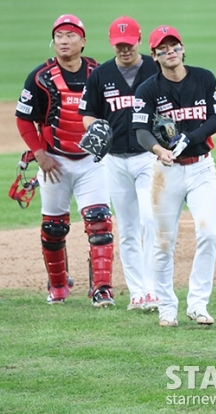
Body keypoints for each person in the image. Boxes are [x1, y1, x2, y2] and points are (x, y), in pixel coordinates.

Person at [15, 14, 116, 308]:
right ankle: (58, 285)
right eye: (59, 35)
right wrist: (39, 153)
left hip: (92, 162)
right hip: (54, 162)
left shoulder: (99, 74)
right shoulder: (40, 78)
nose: (64, 40)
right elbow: (23, 119)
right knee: (54, 228)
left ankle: (102, 289)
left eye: (71, 35)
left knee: (99, 223)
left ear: (82, 41)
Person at [132, 25, 216, 327]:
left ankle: (198, 304)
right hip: (165, 172)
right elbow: (141, 130)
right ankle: (166, 306)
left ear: (182, 48)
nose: (169, 52)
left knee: (208, 233)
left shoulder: (204, 78)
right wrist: (159, 149)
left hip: (201, 168)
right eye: (163, 48)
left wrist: (190, 137)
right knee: (162, 241)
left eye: (174, 46)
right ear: (154, 55)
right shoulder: (148, 89)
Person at [79, 16, 159, 311]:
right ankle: (137, 292)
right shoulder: (101, 75)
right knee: (126, 226)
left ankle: (153, 287)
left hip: (148, 157)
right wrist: (94, 127)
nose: (124, 50)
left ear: (139, 40)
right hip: (114, 161)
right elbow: (88, 112)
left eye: (128, 45)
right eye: (118, 46)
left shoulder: (154, 68)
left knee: (150, 219)